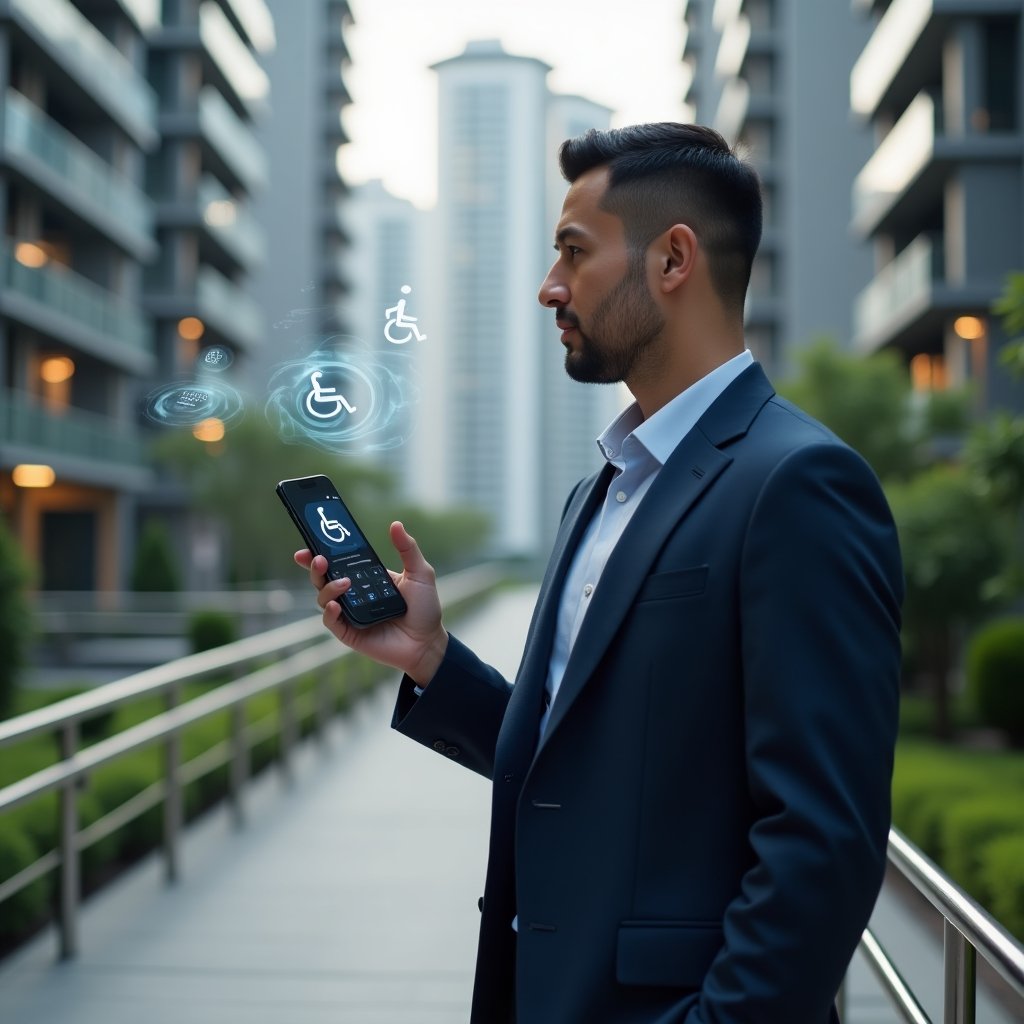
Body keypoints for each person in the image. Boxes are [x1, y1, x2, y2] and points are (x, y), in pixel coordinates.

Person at [296, 123, 904, 1023]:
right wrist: (429, 657)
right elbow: (581, 760)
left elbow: (823, 840)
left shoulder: (799, 483)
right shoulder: (600, 491)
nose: (550, 286)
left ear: (673, 259)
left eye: (574, 253)